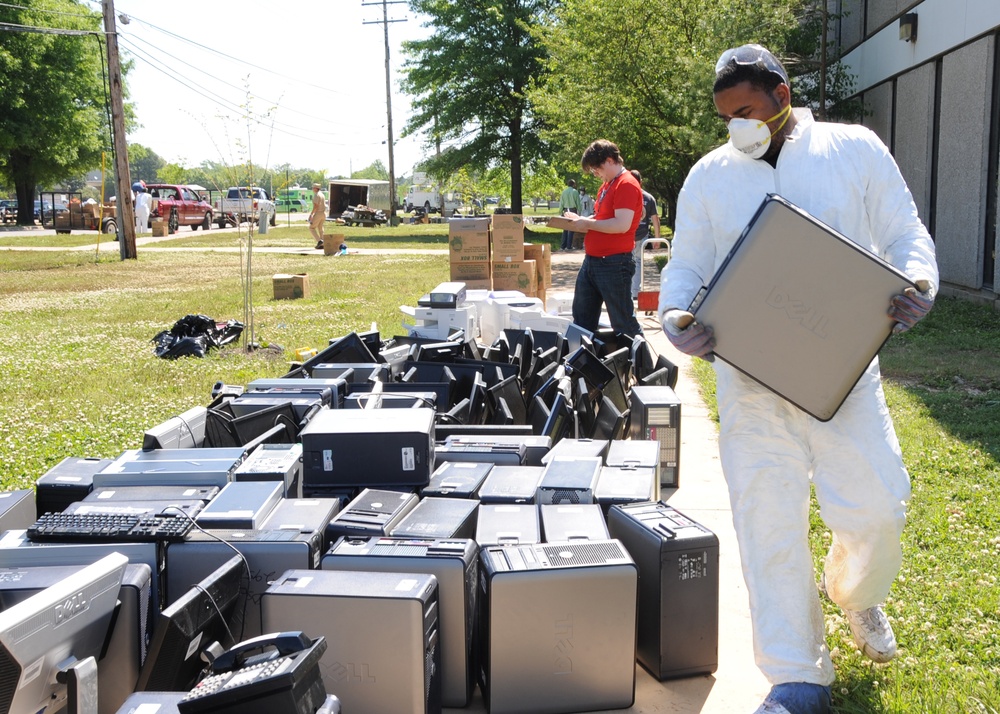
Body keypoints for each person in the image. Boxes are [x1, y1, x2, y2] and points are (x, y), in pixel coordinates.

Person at [658, 44, 938, 714]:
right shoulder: (710, 175)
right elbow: (686, 265)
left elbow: (905, 233)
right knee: (768, 523)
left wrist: (918, 283)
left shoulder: (854, 148)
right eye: (726, 117)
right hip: (750, 381)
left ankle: (858, 597)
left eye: (747, 111)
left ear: (782, 96)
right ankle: (797, 677)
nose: (736, 127)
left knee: (876, 503)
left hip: (839, 373)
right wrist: (676, 315)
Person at [561, 139, 644, 338]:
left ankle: (645, 368)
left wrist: (587, 224)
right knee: (581, 319)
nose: (595, 174)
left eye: (596, 169)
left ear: (609, 160)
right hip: (592, 261)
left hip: (615, 262)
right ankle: (581, 366)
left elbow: (621, 224)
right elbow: (603, 218)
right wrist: (583, 219)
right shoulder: (607, 185)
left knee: (623, 323)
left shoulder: (626, 184)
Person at [629, 170, 661, 299]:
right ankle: (635, 291)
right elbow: (655, 219)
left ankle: (629, 290)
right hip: (642, 235)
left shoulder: (626, 196)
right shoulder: (649, 198)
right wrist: (657, 238)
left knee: (626, 262)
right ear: (641, 182)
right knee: (638, 262)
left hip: (627, 235)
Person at [558, 178, 582, 250]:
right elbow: (578, 203)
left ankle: (563, 246)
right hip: (572, 210)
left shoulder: (564, 192)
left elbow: (561, 203)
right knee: (571, 228)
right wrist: (579, 212)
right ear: (573, 184)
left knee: (565, 228)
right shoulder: (575, 192)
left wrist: (560, 211)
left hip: (565, 210)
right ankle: (569, 246)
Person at [309, 182, 327, 249]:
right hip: (323, 213)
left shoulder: (317, 195)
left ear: (316, 188)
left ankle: (319, 241)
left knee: (311, 228)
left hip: (318, 213)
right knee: (320, 227)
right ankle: (323, 243)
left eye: (313, 187)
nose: (312, 189)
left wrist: (311, 214)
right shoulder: (322, 194)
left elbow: (316, 206)